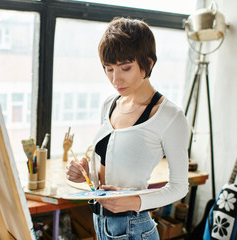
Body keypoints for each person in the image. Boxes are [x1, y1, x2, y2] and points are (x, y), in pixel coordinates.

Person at [66, 17, 189, 240]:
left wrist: (135, 201)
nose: (116, 79)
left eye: (125, 67)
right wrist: (84, 173)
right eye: (109, 69)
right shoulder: (110, 104)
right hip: (100, 223)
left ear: (148, 64)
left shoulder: (170, 116)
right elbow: (109, 173)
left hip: (134, 227)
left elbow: (180, 187)